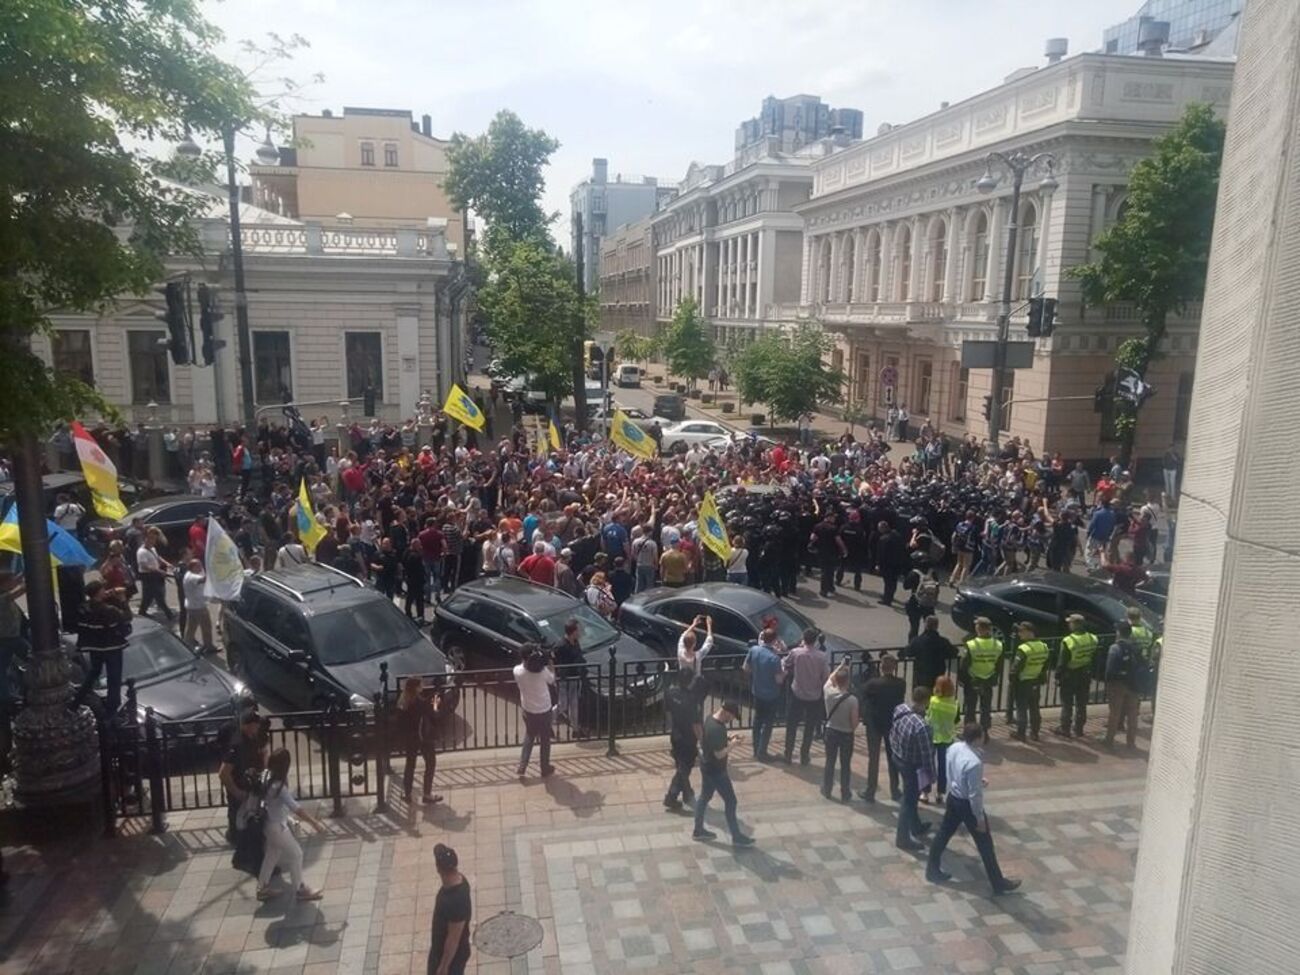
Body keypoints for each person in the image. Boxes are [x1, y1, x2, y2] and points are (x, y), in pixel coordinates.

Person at [925, 724, 1021, 895]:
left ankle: (931, 869)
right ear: (977, 738)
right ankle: (997, 882)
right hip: (966, 805)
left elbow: (951, 771)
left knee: (943, 834)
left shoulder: (954, 748)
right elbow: (975, 796)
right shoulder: (974, 762)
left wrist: (973, 782)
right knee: (985, 843)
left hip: (953, 798)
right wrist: (979, 819)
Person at [255, 747, 325, 901]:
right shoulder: (279, 788)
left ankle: (263, 887)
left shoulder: (265, 777)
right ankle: (300, 890)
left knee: (272, 854)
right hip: (277, 827)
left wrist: (265, 756)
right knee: (296, 854)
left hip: (268, 824)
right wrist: (314, 823)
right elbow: (297, 808)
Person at [692, 700, 753, 846]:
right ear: (726, 712)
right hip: (717, 771)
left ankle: (698, 830)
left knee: (704, 797)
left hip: (707, 767)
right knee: (731, 801)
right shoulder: (717, 729)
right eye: (732, 716)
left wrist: (728, 739)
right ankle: (737, 837)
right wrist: (733, 744)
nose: (731, 719)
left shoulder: (710, 719)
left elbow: (713, 741)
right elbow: (719, 754)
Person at [71, 580, 133, 719]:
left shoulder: (84, 607)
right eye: (103, 589)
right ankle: (112, 711)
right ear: (98, 592)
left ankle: (77, 700)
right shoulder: (108, 610)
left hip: (95, 647)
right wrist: (122, 600)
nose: (105, 591)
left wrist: (110, 596)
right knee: (114, 678)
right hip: (111, 647)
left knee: (94, 672)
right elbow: (126, 617)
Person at [890, 685, 935, 851]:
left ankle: (915, 826)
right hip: (912, 765)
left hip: (898, 757)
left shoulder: (900, 709)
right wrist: (931, 776)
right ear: (925, 702)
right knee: (909, 801)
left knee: (911, 794)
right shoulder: (922, 727)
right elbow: (927, 755)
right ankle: (902, 838)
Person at [859, 654, 905, 803]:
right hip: (892, 724)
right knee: (893, 758)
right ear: (894, 667)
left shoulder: (873, 684)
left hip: (874, 724)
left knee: (873, 758)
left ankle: (870, 790)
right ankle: (895, 789)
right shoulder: (900, 684)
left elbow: (863, 697)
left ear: (881, 667)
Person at [219, 707, 268, 843]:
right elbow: (223, 773)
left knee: (252, 814)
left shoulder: (253, 737)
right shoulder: (237, 744)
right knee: (237, 816)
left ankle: (248, 838)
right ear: (247, 725)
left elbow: (262, 755)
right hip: (240, 786)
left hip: (251, 784)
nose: (258, 727)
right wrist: (237, 792)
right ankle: (236, 839)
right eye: (255, 724)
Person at [783, 627, 830, 765]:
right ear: (815, 641)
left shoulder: (796, 653)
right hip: (814, 696)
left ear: (804, 639)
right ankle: (804, 755)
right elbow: (825, 677)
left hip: (797, 693)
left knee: (791, 725)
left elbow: (786, 663)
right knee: (809, 727)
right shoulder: (822, 657)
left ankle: (788, 754)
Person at [396, 677, 443, 805]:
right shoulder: (420, 702)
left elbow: (400, 722)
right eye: (420, 685)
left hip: (410, 738)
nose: (422, 686)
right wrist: (436, 702)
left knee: (410, 765)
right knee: (430, 763)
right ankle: (427, 795)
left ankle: (407, 794)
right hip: (423, 737)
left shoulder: (403, 701)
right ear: (416, 688)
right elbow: (434, 714)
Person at [663, 667, 705, 811]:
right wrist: (701, 742)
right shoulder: (692, 699)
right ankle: (672, 796)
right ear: (690, 681)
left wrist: (672, 730)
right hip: (688, 739)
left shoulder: (670, 693)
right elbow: (696, 724)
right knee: (684, 768)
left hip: (676, 735)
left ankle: (687, 794)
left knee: (681, 767)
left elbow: (668, 714)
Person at [427, 843, 472, 975]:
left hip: (450, 956)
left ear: (438, 868)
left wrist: (444, 966)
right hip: (441, 950)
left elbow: (453, 937)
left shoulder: (455, 899)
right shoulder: (460, 879)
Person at [742, 627, 785, 760]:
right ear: (774, 641)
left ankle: (756, 749)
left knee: (757, 721)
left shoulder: (754, 650)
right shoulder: (774, 658)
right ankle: (762, 752)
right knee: (767, 724)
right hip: (771, 695)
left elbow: (745, 668)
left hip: (757, 692)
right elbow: (779, 680)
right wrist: (784, 672)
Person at [514, 643, 556, 777]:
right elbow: (552, 679)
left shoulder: (517, 671)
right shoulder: (542, 672)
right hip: (544, 709)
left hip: (528, 709)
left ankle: (522, 765)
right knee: (545, 739)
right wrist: (550, 664)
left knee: (529, 736)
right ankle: (545, 767)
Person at [1055, 614, 1099, 738]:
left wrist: (1058, 676)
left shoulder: (1068, 641)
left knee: (1067, 703)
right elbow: (1095, 657)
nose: (1069, 624)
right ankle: (1079, 729)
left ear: (1075, 624)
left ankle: (1065, 728)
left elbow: (1062, 662)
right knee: (1081, 703)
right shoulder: (1093, 638)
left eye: (1070, 623)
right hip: (1085, 674)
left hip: (1070, 675)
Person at [821, 660, 859, 802]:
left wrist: (841, 665)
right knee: (845, 764)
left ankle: (827, 789)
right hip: (846, 734)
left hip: (831, 730)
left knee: (830, 761)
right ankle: (845, 792)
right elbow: (855, 722)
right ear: (847, 681)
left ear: (837, 680)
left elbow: (830, 678)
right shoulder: (852, 700)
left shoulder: (828, 692)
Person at [958, 617, 1002, 732]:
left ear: (979, 628)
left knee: (970, 708)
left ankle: (970, 732)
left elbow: (964, 665)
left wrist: (961, 679)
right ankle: (985, 730)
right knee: (986, 707)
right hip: (988, 679)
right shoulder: (998, 644)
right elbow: (999, 665)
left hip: (973, 679)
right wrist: (994, 677)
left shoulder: (971, 644)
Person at [1104, 622, 1143, 750]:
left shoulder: (1115, 648)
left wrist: (1108, 683)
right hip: (1134, 684)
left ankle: (1109, 741)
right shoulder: (1137, 647)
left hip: (1118, 684)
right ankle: (1131, 743)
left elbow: (1110, 670)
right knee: (1132, 715)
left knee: (1115, 713)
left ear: (1119, 632)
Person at [1010, 621, 1049, 741]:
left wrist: (1012, 681)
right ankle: (1035, 733)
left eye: (1021, 631)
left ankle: (1021, 733)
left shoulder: (1024, 649)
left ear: (1029, 632)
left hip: (1023, 682)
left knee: (1021, 709)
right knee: (1034, 708)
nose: (1019, 634)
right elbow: (1045, 665)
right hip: (1035, 681)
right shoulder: (1044, 646)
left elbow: (1015, 669)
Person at [923, 676, 959, 805]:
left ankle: (925, 793)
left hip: (932, 736)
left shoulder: (934, 701)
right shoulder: (954, 703)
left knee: (927, 764)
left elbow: (928, 717)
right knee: (943, 767)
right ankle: (940, 793)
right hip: (947, 737)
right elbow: (956, 720)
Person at [553, 618, 587, 737]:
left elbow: (579, 657)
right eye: (578, 629)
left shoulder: (576, 642)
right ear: (573, 631)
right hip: (564, 680)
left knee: (574, 705)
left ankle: (576, 730)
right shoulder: (561, 646)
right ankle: (547, 720)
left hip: (574, 679)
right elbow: (556, 662)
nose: (580, 631)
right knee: (563, 704)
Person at [905, 616, 956, 692]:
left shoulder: (917, 641)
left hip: (921, 676)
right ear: (937, 626)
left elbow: (907, 652)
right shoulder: (942, 641)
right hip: (938, 675)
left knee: (922, 698)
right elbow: (954, 652)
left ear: (925, 625)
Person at [136, 527, 174, 620]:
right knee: (158, 595)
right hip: (148, 576)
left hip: (154, 575)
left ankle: (142, 612)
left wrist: (166, 563)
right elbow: (144, 566)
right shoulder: (141, 552)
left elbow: (158, 557)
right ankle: (169, 614)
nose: (153, 541)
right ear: (146, 539)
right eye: (151, 539)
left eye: (154, 539)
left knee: (148, 596)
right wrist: (158, 570)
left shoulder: (152, 548)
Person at [181, 559, 214, 653]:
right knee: (206, 627)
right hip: (199, 607)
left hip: (191, 606)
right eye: (198, 566)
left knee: (191, 628)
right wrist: (213, 572)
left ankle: (186, 645)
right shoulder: (192, 577)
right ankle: (209, 646)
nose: (200, 567)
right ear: (193, 567)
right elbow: (203, 580)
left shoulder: (188, 575)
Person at [872, 520, 907, 607]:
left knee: (888, 582)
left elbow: (881, 554)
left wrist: (878, 565)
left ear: (882, 528)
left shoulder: (883, 539)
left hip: (887, 564)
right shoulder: (898, 535)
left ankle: (887, 599)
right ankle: (890, 596)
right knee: (893, 581)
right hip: (897, 563)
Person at [904, 568, 940, 641]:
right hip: (929, 604)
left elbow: (905, 586)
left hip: (915, 602)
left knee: (914, 628)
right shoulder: (933, 573)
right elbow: (937, 587)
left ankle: (913, 646)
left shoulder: (914, 573)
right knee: (930, 628)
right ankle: (926, 644)